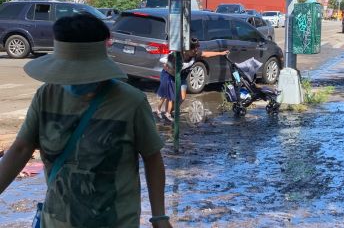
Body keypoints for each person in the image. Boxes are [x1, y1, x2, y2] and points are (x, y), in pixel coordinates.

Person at [0, 14, 172, 228]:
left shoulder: (131, 102)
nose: (75, 80)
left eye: (83, 74)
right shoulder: (47, 95)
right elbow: (21, 149)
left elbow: (152, 159)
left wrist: (159, 217)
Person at [155, 38, 228, 122]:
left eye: (197, 48)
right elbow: (166, 66)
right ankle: (166, 113)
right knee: (169, 96)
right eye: (194, 49)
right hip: (170, 76)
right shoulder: (177, 55)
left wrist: (221, 53)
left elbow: (206, 54)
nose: (196, 51)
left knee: (181, 98)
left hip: (182, 77)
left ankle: (169, 111)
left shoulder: (195, 54)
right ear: (187, 49)